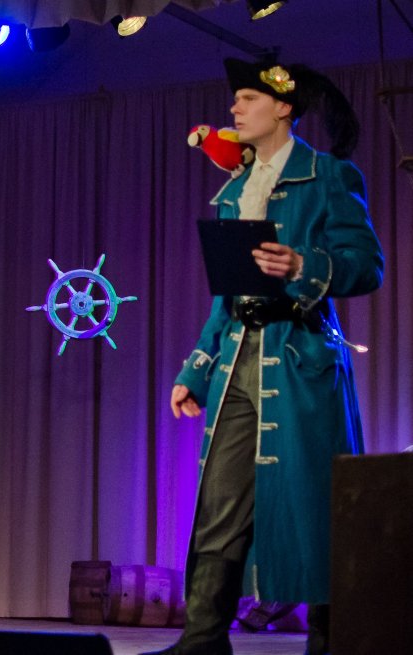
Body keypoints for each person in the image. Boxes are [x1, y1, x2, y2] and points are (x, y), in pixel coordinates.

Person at [144, 59, 384, 655]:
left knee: (316, 504)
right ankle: (203, 639)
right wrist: (196, 370)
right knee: (219, 502)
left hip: (301, 359)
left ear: (283, 107)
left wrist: (304, 265)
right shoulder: (235, 190)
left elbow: (366, 265)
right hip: (236, 361)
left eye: (247, 98)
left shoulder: (327, 176)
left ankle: (330, 640)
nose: (234, 108)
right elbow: (226, 297)